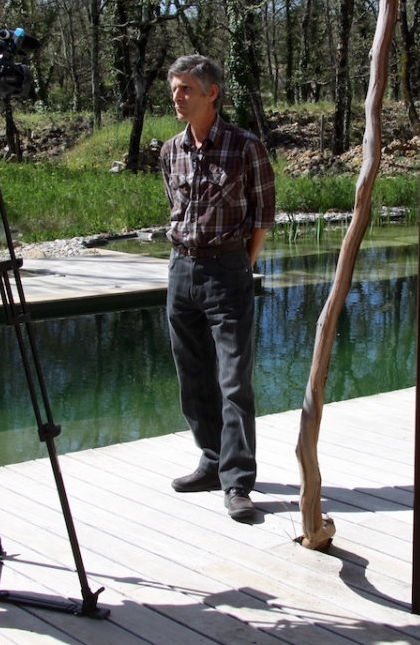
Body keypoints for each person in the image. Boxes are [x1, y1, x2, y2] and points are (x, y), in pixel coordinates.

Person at [159, 54, 276, 523]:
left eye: (186, 88)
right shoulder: (169, 150)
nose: (178, 96)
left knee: (233, 381)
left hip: (226, 269)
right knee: (192, 376)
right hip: (180, 271)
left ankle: (237, 480)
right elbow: (175, 209)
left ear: (212, 93)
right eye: (174, 89)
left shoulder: (246, 146)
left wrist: (239, 265)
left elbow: (263, 216)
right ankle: (210, 461)